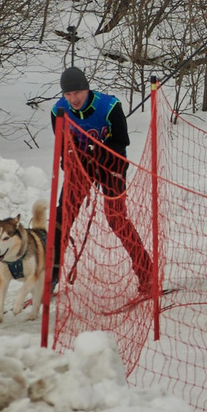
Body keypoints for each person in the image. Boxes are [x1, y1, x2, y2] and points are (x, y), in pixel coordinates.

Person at [50, 66, 156, 295]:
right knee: (62, 216)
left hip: (111, 165)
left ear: (87, 89)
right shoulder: (58, 111)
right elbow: (62, 146)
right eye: (68, 94)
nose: (74, 99)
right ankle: (51, 277)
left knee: (116, 218)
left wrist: (98, 153)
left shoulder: (109, 107)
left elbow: (121, 141)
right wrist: (70, 159)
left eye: (78, 92)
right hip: (82, 166)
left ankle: (147, 275)